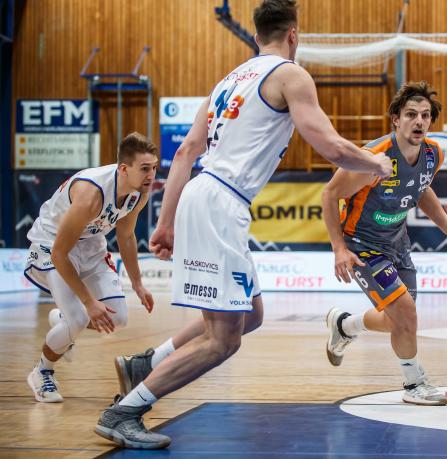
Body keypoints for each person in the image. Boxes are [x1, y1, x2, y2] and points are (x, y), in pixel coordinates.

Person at [95, 0, 392, 449]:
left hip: (203, 193)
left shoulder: (228, 81)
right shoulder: (291, 75)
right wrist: (375, 163)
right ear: (293, 35)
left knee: (251, 314)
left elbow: (185, 152)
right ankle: (126, 411)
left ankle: (146, 364)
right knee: (223, 340)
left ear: (255, 36)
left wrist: (166, 221)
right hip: (221, 202)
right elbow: (330, 146)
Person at [322, 81, 447, 406]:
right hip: (362, 245)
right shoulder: (373, 158)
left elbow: (421, 189)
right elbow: (329, 194)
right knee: (405, 313)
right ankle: (414, 383)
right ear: (396, 119)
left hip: (398, 242)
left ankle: (346, 325)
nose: (419, 121)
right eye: (411, 114)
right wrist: (339, 248)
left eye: (425, 115)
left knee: (400, 321)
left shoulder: (433, 154)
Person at [24, 132, 158, 403]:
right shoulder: (91, 195)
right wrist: (88, 302)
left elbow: (126, 236)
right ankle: (42, 371)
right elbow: (60, 253)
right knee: (79, 319)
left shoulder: (139, 193)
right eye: (145, 168)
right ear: (124, 169)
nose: (151, 175)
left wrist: (138, 284)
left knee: (117, 318)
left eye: (154, 168)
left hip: (91, 244)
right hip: (52, 244)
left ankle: (62, 320)